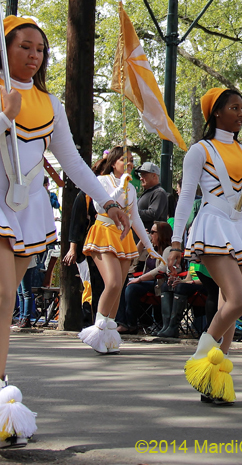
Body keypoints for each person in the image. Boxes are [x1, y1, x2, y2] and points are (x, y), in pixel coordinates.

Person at [0, 15, 130, 449]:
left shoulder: (49, 103)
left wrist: (108, 203)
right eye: (25, 47)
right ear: (3, 49)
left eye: (40, 49)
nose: (34, 56)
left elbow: (73, 162)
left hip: (23, 208)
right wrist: (3, 118)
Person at [169, 87, 242, 405]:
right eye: (235, 108)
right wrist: (175, 241)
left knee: (231, 307)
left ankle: (214, 379)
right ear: (216, 113)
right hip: (213, 226)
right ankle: (201, 355)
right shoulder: (200, 150)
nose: (241, 114)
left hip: (239, 229)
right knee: (239, 299)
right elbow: (187, 197)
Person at [79, 146, 159, 351]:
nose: (130, 163)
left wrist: (149, 247)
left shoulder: (131, 188)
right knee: (113, 283)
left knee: (119, 287)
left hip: (123, 237)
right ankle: (97, 329)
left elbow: (136, 219)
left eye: (132, 160)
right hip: (103, 232)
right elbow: (99, 206)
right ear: (114, 163)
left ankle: (108, 337)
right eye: (125, 160)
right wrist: (120, 186)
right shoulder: (102, 181)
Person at [121, 221, 174, 334]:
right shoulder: (151, 249)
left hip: (158, 283)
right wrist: (142, 241)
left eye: (153, 232)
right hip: (148, 283)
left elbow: (162, 268)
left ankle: (132, 325)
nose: (150, 235)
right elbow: (133, 259)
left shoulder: (168, 250)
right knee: (124, 285)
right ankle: (123, 322)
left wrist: (140, 279)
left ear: (161, 234)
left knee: (132, 288)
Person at [136, 162, 169, 232]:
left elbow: (153, 214)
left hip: (151, 238)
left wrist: (133, 212)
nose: (141, 178)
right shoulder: (148, 192)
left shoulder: (159, 193)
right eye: (140, 175)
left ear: (154, 176)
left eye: (144, 175)